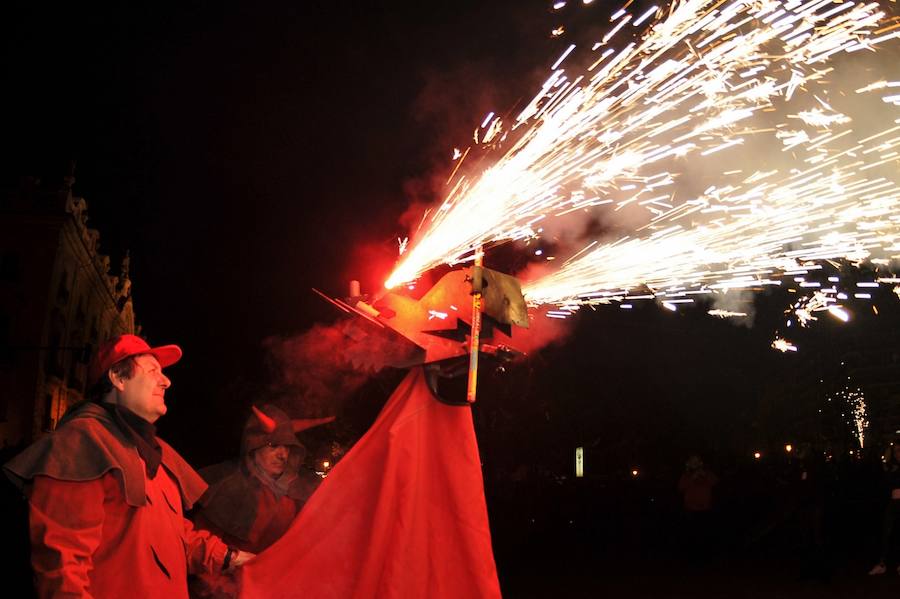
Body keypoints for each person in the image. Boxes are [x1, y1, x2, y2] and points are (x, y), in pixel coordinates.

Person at [3, 334, 253, 598]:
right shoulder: (80, 444)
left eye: (163, 372)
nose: (166, 380)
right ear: (118, 378)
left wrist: (232, 558)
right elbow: (63, 571)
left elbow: (173, 539)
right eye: (153, 370)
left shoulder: (155, 453)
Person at [189, 404, 331, 598]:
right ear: (253, 446)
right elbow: (201, 554)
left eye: (287, 446)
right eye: (273, 446)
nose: (283, 454)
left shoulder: (301, 491)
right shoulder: (225, 487)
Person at [868, 443, 900, 575]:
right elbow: (885, 485)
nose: (898, 453)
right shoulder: (892, 468)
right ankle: (882, 563)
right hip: (893, 503)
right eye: (896, 451)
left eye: (899, 450)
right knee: (886, 533)